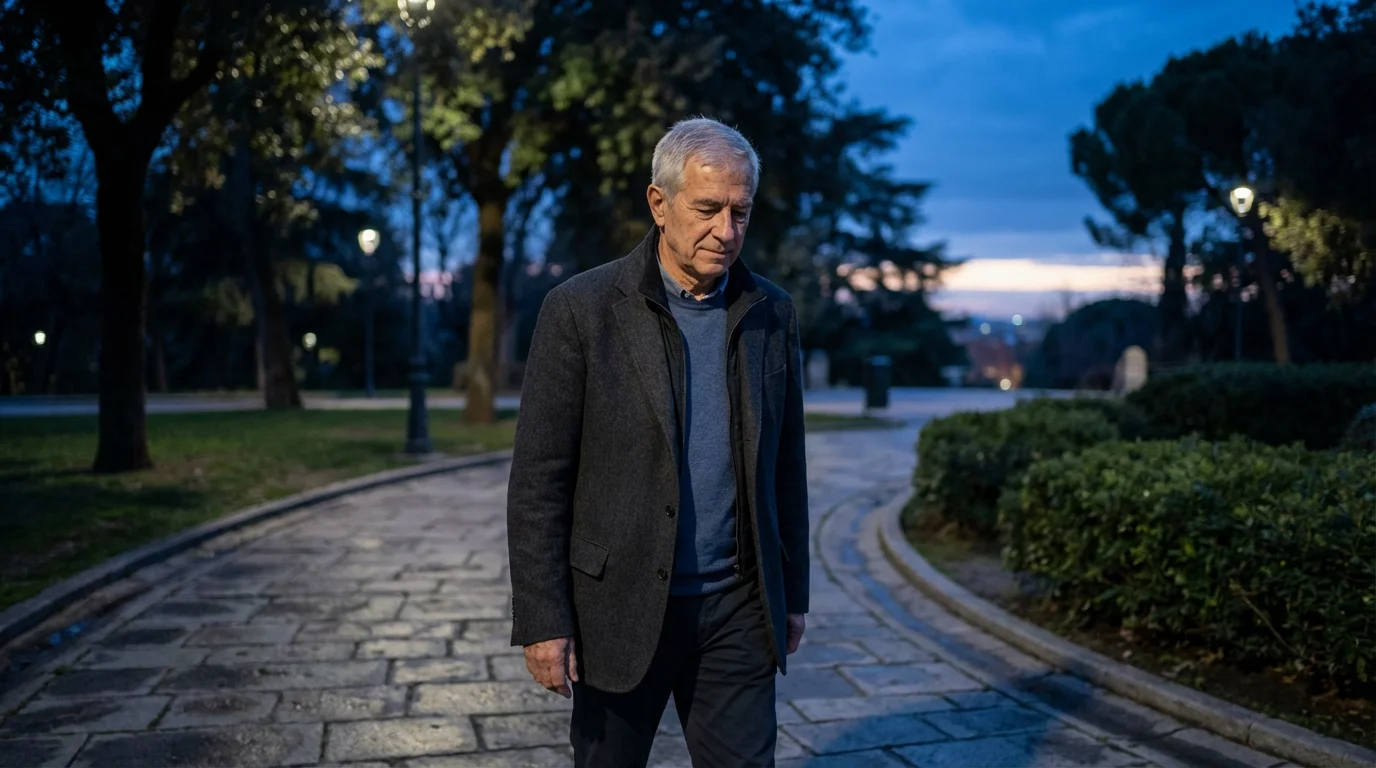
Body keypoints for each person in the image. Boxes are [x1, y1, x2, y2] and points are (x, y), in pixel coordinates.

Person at [506, 116, 811, 767]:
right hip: (614, 613)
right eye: (707, 210)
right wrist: (543, 619)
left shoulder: (772, 313)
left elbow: (787, 465)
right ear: (659, 202)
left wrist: (793, 595)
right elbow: (539, 478)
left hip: (737, 611)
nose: (726, 233)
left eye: (740, 212)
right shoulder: (580, 310)